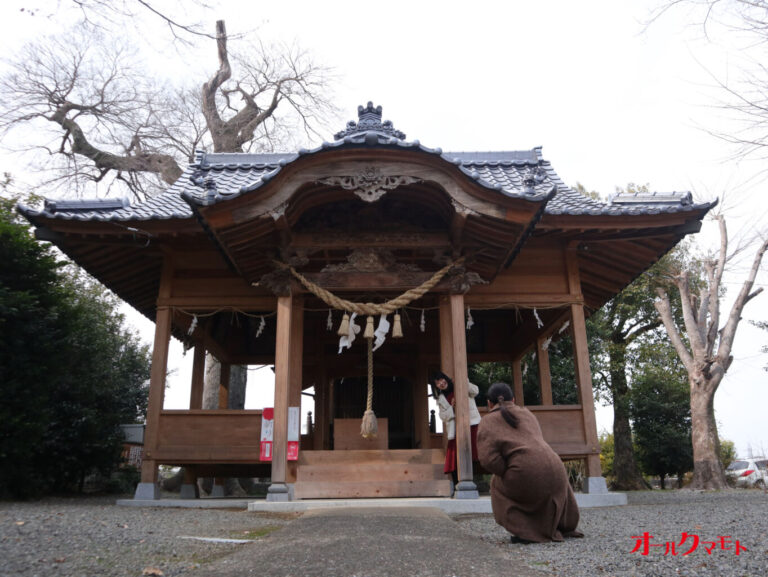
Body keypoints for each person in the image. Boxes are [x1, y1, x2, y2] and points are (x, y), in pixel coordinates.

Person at [477, 381, 583, 543]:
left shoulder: (488, 421)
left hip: (525, 470)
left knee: (496, 483)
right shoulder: (527, 414)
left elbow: (489, 460)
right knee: (550, 484)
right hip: (556, 466)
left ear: (489, 403)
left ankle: (526, 531)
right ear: (513, 400)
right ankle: (562, 525)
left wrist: (505, 470)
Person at [430, 371, 481, 485]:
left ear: (445, 378)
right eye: (437, 383)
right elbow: (442, 416)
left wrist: (464, 382)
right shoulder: (441, 399)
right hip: (455, 429)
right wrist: (451, 408)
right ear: (436, 387)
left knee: (474, 455)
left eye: (441, 380)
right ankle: (458, 484)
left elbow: (475, 391)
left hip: (471, 424)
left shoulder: (460, 385)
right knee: (454, 459)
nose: (441, 383)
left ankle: (475, 482)